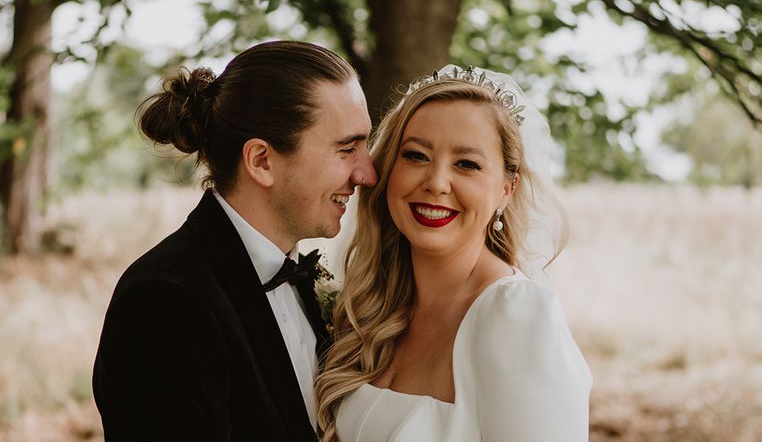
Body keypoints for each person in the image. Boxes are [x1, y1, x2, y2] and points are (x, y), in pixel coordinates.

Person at [93, 40, 376, 442]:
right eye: (347, 148)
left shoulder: (298, 276)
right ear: (261, 160)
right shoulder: (165, 301)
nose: (367, 173)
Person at [316, 65, 591, 441]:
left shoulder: (515, 315)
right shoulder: (372, 312)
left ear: (506, 190)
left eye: (467, 164)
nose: (436, 182)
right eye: (416, 156)